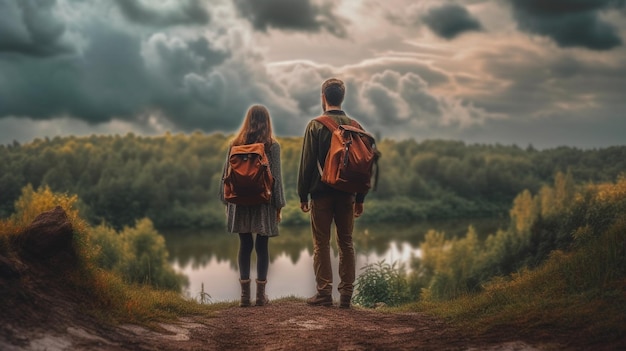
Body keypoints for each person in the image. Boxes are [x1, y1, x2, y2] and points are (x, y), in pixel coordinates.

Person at [297, 78, 369, 308]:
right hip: (348, 194)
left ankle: (324, 293)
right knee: (346, 243)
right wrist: (360, 198)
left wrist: (302, 195)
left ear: (323, 97)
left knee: (321, 244)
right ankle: (346, 295)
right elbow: (364, 165)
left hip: (321, 194)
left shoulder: (315, 125)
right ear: (342, 97)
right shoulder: (355, 126)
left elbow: (307, 164)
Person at [219, 104, 286, 307]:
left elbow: (225, 176)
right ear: (267, 122)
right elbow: (276, 179)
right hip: (263, 202)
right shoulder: (271, 146)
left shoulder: (235, 144)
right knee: (262, 246)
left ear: (247, 121)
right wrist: (279, 205)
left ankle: (244, 297)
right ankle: (260, 296)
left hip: (239, 202)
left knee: (245, 244)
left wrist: (226, 202)